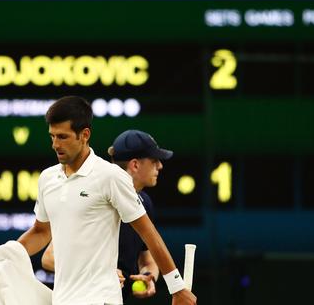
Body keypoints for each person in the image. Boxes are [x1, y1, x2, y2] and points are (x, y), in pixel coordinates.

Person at [17, 96, 196, 305]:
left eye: (63, 137)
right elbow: (41, 232)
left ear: (84, 135)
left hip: (101, 299)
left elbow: (148, 233)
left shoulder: (110, 177)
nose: (55, 144)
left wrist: (176, 286)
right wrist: (9, 255)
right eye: (53, 137)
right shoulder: (48, 179)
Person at [41, 129, 172, 301]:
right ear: (135, 165)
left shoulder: (144, 203)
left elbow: (147, 259)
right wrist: (100, 275)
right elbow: (49, 258)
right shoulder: (94, 198)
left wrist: (148, 276)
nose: (160, 166)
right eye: (154, 161)